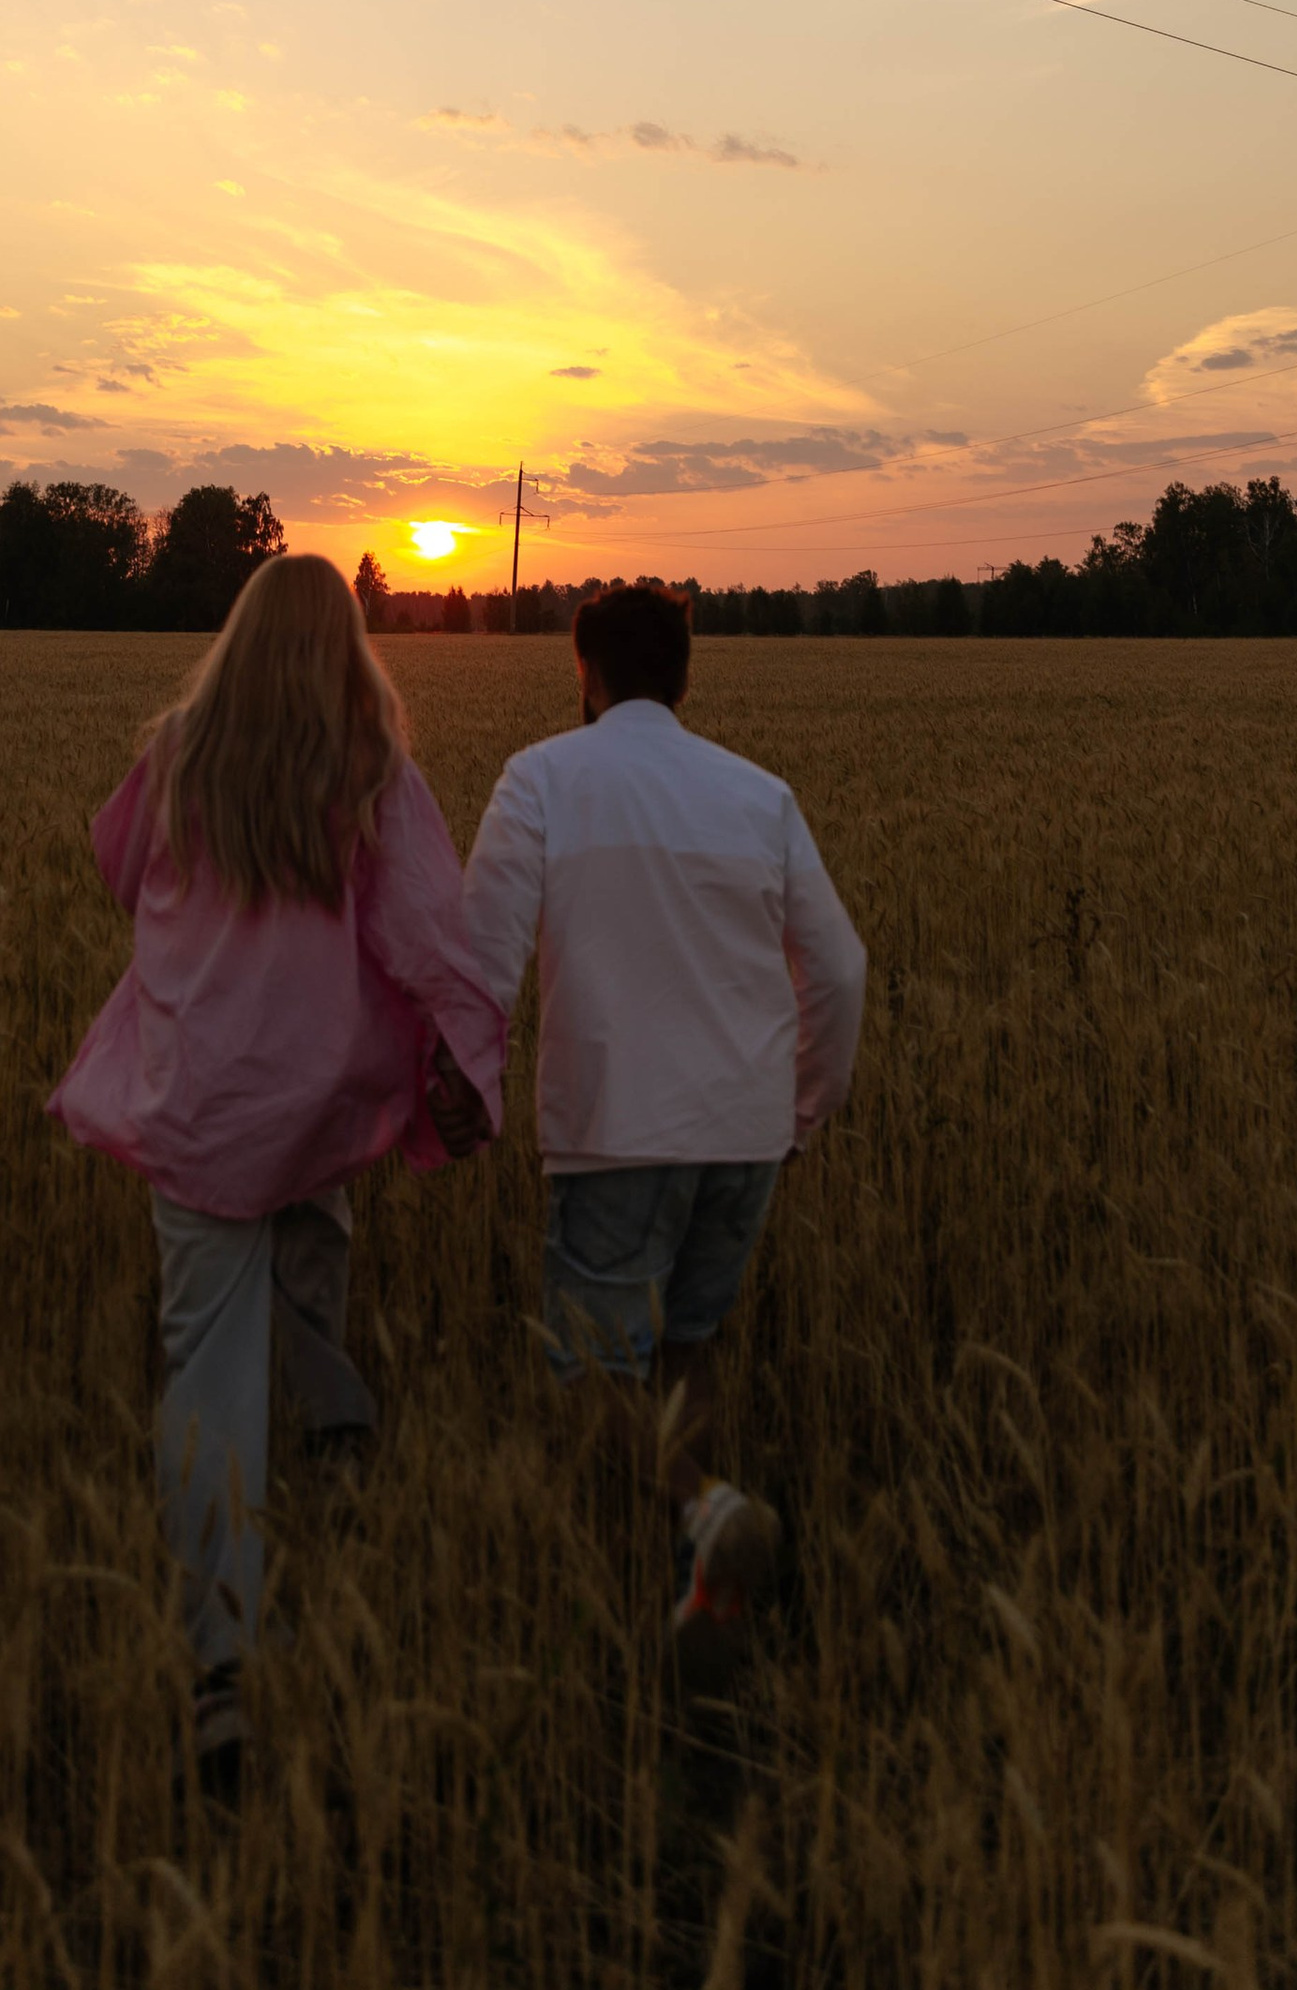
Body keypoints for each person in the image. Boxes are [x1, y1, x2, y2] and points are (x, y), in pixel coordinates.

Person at [49, 551, 503, 1775]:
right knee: (313, 1243)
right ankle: (336, 1439)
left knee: (207, 1354)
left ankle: (222, 1664)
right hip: (317, 1094)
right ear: (348, 644)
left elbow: (114, 869)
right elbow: (424, 928)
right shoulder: (369, 768)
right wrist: (469, 1060)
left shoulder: (180, 755)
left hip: (200, 1096)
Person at [461, 580, 866, 1682]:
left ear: (583, 672)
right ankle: (701, 1587)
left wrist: (464, 1092)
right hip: (743, 1130)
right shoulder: (757, 794)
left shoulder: (542, 777)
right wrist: (802, 1108)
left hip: (614, 1129)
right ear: (685, 674)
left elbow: (485, 960)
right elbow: (837, 968)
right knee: (686, 1351)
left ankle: (659, 1552)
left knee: (597, 1380)